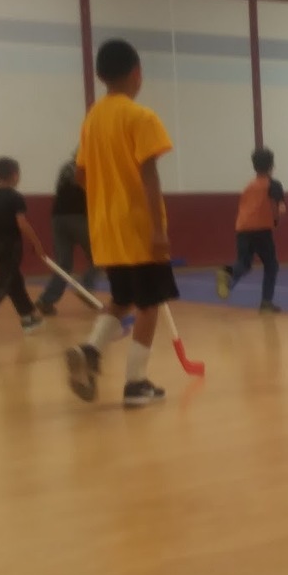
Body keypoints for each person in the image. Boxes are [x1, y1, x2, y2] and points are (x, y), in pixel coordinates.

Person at [65, 38, 178, 407]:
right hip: (139, 225)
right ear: (136, 73)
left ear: (100, 75)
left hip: (106, 227)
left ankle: (92, 350)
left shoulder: (92, 118)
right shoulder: (140, 117)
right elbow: (149, 175)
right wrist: (158, 231)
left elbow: (80, 175)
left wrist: (107, 191)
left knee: (122, 297)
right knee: (149, 303)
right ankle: (136, 382)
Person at [216, 147, 286, 313]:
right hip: (261, 229)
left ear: (255, 166)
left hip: (242, 228)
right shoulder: (273, 184)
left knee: (244, 263)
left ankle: (228, 272)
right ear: (272, 166)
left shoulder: (249, 186)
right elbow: (281, 209)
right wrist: (276, 219)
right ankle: (266, 302)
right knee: (271, 265)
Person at [35, 153, 100, 315]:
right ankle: (86, 288)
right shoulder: (89, 167)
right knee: (100, 256)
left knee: (63, 264)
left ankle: (46, 300)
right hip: (78, 217)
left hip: (57, 218)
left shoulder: (66, 167)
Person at [0, 156, 46, 336]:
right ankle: (28, 315)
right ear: (15, 175)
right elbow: (22, 223)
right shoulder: (16, 198)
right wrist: (37, 243)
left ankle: (28, 316)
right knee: (3, 283)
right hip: (10, 246)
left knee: (14, 280)